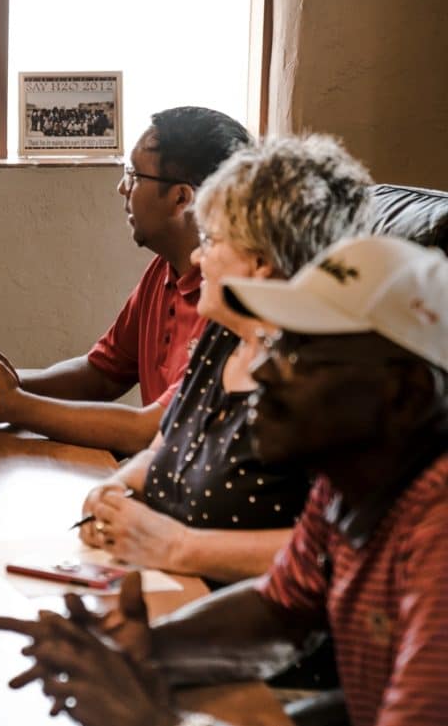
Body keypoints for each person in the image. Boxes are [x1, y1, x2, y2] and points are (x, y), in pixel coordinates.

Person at [0, 234, 448, 726]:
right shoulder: (349, 485)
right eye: (275, 341)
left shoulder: (437, 531)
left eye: (301, 353)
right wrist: (142, 645)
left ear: (405, 395)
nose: (265, 371)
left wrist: (157, 723)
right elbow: (281, 609)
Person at [77, 136, 373, 585]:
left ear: (262, 264)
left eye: (212, 240)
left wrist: (177, 546)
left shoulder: (323, 380)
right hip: (164, 584)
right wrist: (117, 489)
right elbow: (162, 448)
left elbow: (338, 550)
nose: (198, 255)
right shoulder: (223, 336)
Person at [0, 107, 253, 454]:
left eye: (135, 175)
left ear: (181, 198)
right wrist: (3, 385)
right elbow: (101, 376)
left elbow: (150, 432)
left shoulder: (227, 296)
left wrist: (16, 405)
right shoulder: (163, 270)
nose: (121, 188)